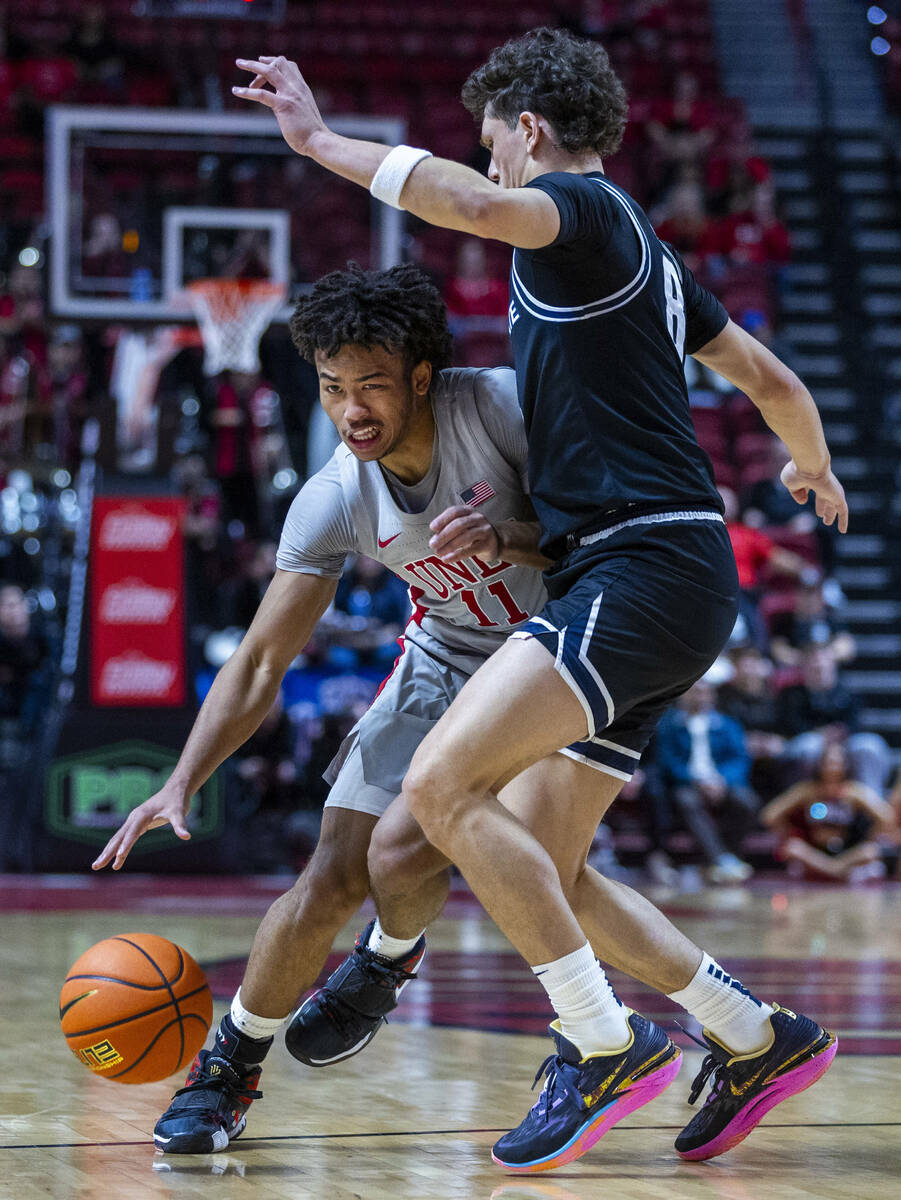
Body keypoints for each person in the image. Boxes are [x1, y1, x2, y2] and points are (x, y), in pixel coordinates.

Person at [226, 28, 845, 1172]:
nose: (491, 169)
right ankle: (755, 1037)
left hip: (637, 568)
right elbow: (772, 381)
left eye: (492, 147)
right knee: (539, 863)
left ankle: (600, 1044)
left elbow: (463, 202)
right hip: (666, 576)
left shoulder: (585, 219)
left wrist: (314, 140)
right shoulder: (653, 264)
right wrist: (808, 462)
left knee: (442, 785)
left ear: (524, 131)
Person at [93, 264, 686, 1154]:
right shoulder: (334, 494)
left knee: (447, 853)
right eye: (333, 388)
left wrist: (508, 535)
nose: (351, 408)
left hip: (558, 655)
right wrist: (183, 778)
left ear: (420, 375)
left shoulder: (501, 409)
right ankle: (229, 1066)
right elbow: (259, 659)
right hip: (443, 655)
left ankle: (396, 949)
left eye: (371, 383)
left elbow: (612, 532)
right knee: (332, 871)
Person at [655, 679, 759, 883]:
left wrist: (721, 780)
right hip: (689, 783)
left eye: (704, 693)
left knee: (747, 802)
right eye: (695, 692)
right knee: (686, 801)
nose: (700, 697)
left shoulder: (728, 725)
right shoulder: (669, 725)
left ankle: (727, 855)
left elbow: (740, 758)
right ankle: (721, 860)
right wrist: (698, 780)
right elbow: (668, 762)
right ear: (684, 696)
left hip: (722, 781)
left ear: (712, 696)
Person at [762, 743, 894, 882]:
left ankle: (830, 870)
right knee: (793, 848)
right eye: (829, 761)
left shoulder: (854, 791)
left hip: (846, 851)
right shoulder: (808, 790)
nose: (833, 766)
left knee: (870, 851)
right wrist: (789, 831)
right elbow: (769, 815)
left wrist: (870, 836)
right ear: (820, 763)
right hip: (815, 852)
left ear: (846, 764)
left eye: (838, 761)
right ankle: (840, 872)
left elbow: (886, 816)